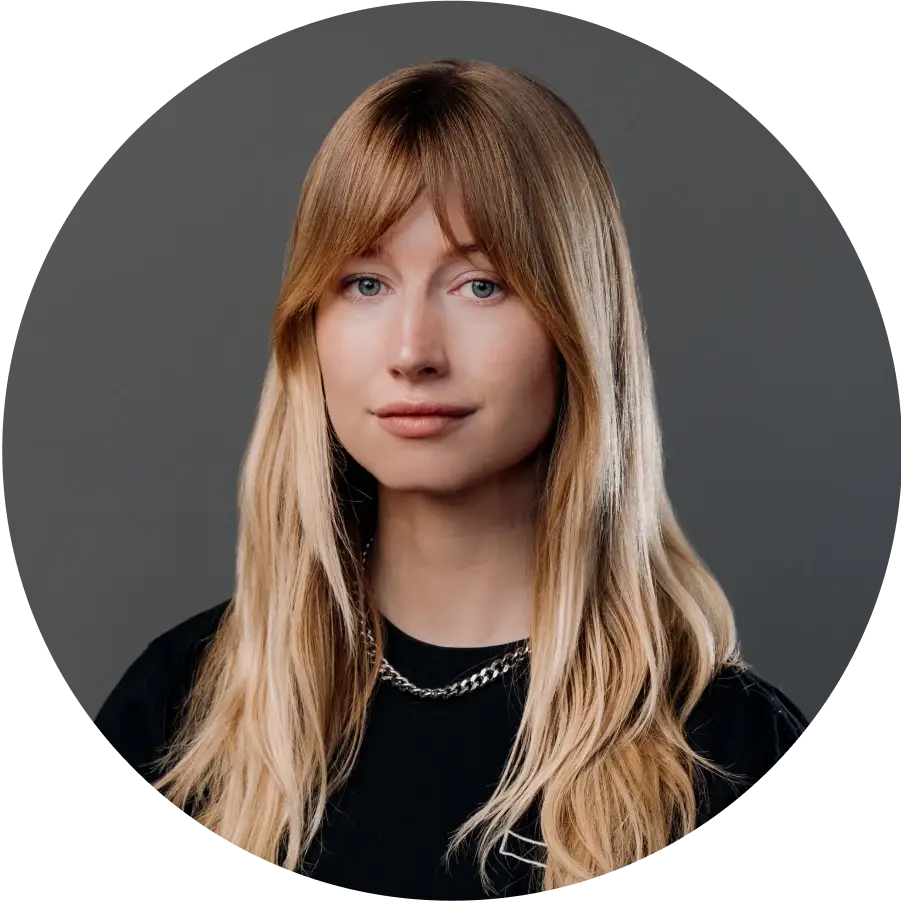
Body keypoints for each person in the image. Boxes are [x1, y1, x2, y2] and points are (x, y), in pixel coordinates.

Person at [93, 59, 809, 899]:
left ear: (576, 323)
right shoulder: (179, 710)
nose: (412, 352)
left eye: (480, 285)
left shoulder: (724, 748)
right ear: (309, 326)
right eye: (364, 283)